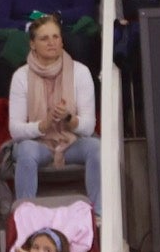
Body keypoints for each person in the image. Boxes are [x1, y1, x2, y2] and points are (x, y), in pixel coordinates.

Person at [9, 14, 100, 209]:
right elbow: (15, 130)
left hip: (72, 142)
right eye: (44, 38)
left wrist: (69, 118)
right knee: (25, 149)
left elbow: (89, 126)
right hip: (38, 144)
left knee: (96, 147)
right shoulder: (21, 76)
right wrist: (43, 125)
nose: (52, 42)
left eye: (56, 37)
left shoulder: (80, 72)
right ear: (32, 44)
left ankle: (99, 213)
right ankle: (26, 214)